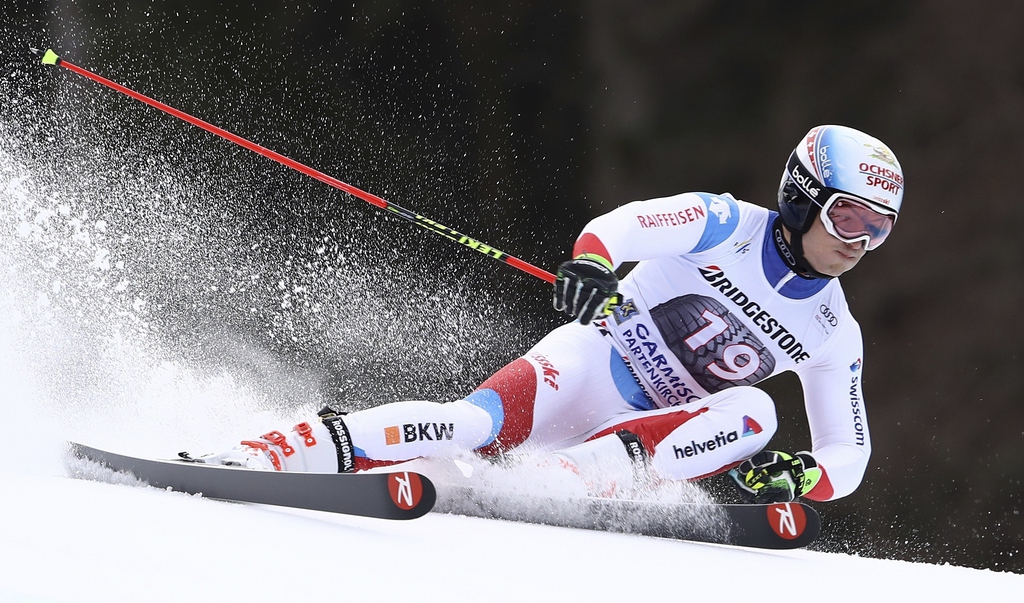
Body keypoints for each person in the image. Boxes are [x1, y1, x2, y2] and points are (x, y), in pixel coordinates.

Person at [208, 124, 903, 504]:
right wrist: (594, 263)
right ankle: (276, 452)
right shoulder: (729, 224)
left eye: (879, 228)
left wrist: (804, 477)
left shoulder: (834, 332)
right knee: (469, 424)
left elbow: (851, 454)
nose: (858, 242)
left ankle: (564, 484)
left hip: (639, 436)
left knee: (756, 414)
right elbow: (626, 224)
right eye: (848, 214)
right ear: (803, 196)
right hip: (587, 364)